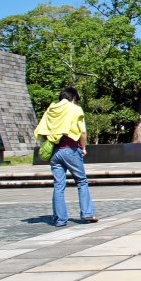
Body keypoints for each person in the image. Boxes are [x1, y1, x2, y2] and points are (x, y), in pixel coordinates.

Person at [34, 87, 97, 227]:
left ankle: (60, 219)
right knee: (81, 181)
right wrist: (83, 148)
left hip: (55, 152)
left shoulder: (51, 110)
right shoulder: (75, 109)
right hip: (71, 150)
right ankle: (87, 214)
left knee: (58, 185)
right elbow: (83, 132)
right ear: (73, 98)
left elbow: (42, 131)